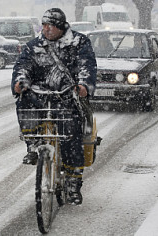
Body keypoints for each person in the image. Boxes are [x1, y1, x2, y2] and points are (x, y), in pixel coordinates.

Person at [11, 8, 97, 205]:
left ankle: (73, 182)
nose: (46, 29)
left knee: (71, 135)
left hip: (67, 93)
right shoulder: (35, 46)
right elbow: (23, 66)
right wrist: (20, 82)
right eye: (44, 25)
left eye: (50, 25)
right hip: (39, 94)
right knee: (24, 104)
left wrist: (83, 85)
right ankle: (33, 143)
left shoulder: (79, 43)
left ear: (60, 27)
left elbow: (87, 65)